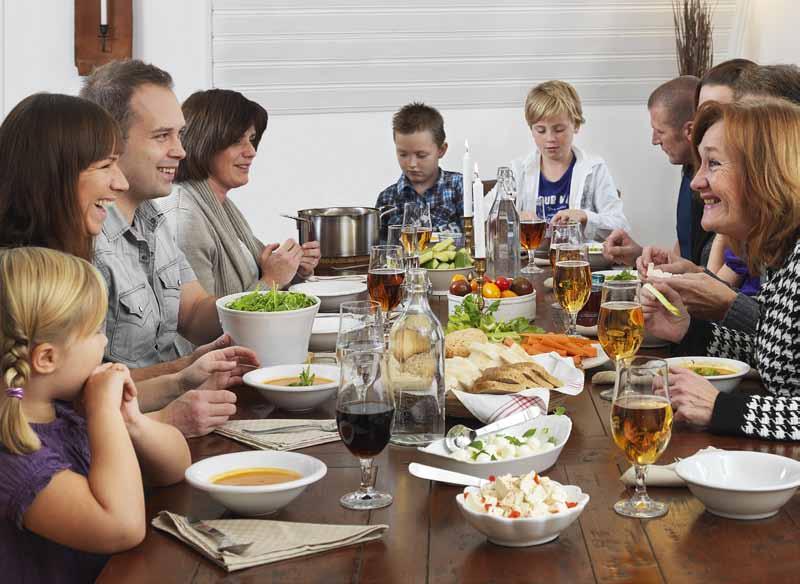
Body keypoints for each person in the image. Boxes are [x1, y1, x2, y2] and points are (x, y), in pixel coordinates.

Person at [0, 92, 259, 438]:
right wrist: (163, 420)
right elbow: (49, 426)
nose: (119, 182)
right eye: (106, 166)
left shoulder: (61, 261)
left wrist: (183, 372)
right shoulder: (23, 280)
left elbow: (89, 391)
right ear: (56, 174)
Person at [0, 246, 191, 581]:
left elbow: (176, 467)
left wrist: (131, 421)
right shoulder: (13, 457)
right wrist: (103, 412)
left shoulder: (63, 411)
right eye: (96, 332)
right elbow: (122, 526)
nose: (104, 343)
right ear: (46, 358)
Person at [644, 98, 800, 441]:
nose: (696, 182)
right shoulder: (781, 256)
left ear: (766, 174)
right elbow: (779, 358)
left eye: (713, 164)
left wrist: (722, 409)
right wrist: (690, 331)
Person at [80, 60, 230, 374]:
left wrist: (270, 303)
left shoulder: (150, 213)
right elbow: (83, 391)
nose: (181, 151)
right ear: (109, 140)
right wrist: (184, 374)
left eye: (179, 134)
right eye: (162, 136)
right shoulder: (84, 238)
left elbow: (192, 314)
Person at [169, 89, 320, 298]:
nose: (251, 151)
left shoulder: (220, 205)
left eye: (251, 139)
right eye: (237, 140)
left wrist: (295, 269)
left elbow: (260, 277)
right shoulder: (185, 220)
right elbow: (202, 325)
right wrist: (272, 280)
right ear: (204, 143)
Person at [484, 80, 629, 242]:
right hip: (530, 262)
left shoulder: (594, 169)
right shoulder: (518, 170)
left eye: (559, 129)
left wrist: (584, 216)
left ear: (576, 125)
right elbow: (484, 214)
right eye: (541, 130)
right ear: (531, 129)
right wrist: (514, 216)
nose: (550, 138)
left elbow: (620, 226)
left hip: (577, 262)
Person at [603, 76, 711, 266]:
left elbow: (713, 276)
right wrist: (639, 255)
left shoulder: (711, 184)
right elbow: (685, 254)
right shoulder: (688, 170)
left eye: (660, 132)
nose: (654, 140)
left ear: (690, 130)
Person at [376, 102, 463, 239]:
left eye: (421, 155)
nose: (412, 164)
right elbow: (381, 250)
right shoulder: (387, 199)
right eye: (403, 154)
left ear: (441, 150)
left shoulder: (459, 186)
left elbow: (475, 240)